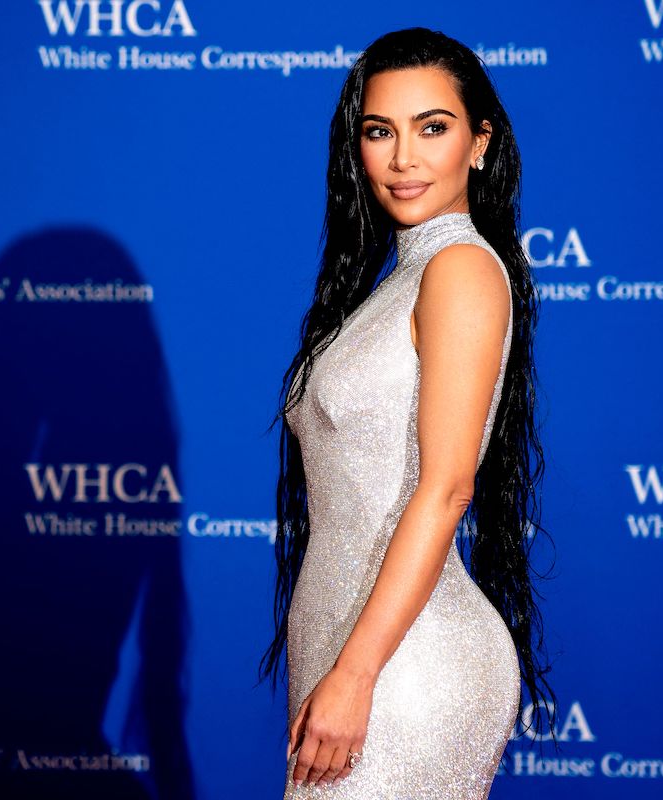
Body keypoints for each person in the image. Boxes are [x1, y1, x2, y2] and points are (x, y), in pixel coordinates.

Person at [257, 27, 559, 798]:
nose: (402, 158)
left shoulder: (460, 268)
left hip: (404, 664)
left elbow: (446, 487)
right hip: (356, 652)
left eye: (433, 128)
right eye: (378, 131)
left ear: (480, 143)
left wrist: (356, 674)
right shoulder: (398, 277)